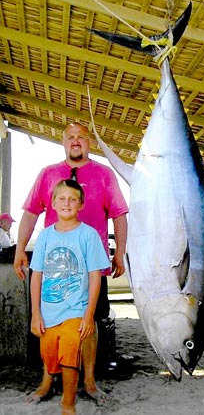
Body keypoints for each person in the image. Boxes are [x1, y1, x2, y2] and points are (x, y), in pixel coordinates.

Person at [14, 122, 128, 404]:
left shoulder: (104, 174)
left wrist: (120, 251)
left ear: (89, 142)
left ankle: (89, 381)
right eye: (70, 137)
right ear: (64, 142)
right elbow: (29, 213)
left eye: (81, 137)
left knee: (90, 322)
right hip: (54, 267)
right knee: (48, 324)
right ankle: (46, 380)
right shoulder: (47, 174)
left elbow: (119, 215)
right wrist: (20, 249)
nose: (76, 141)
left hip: (91, 267)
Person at [30, 179, 110, 415]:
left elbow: (95, 277)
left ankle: (68, 404)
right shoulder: (44, 237)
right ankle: (50, 385)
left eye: (73, 199)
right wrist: (36, 313)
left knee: (70, 353)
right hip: (48, 312)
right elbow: (36, 275)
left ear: (81, 204)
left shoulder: (88, 235)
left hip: (76, 310)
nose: (67, 203)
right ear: (53, 203)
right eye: (62, 198)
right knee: (49, 354)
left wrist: (88, 316)